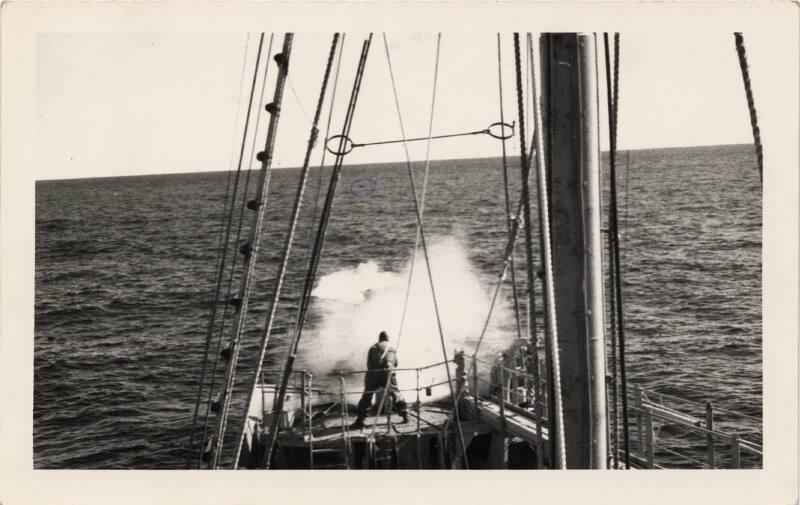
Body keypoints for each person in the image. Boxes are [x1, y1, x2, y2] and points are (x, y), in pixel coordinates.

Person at [349, 331, 408, 430]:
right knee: (396, 394)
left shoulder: (373, 348)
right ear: (388, 339)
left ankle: (360, 420)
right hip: (388, 374)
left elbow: (368, 364)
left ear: (379, 339)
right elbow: (396, 364)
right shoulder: (392, 349)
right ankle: (405, 415)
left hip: (374, 375)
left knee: (367, 396)